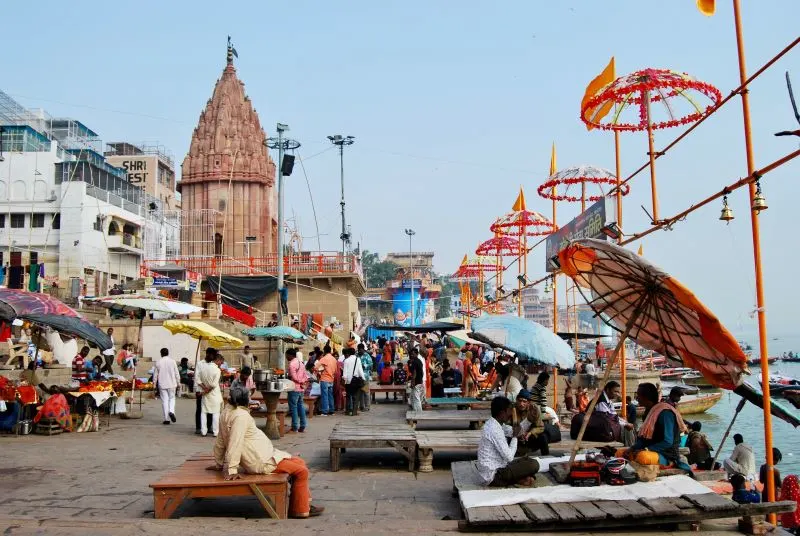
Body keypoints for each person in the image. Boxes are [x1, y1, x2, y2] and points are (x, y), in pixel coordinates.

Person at [210, 384, 324, 519]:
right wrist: (231, 469)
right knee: (302, 471)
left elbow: (220, 441)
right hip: (261, 461)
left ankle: (304, 503)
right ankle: (300, 510)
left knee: (299, 461)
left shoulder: (227, 412)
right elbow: (235, 443)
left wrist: (218, 463)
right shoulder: (240, 416)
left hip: (262, 455)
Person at [619, 383, 690, 470]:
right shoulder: (649, 412)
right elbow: (645, 439)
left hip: (666, 455)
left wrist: (647, 449)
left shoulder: (665, 413)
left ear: (646, 397)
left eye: (638, 395)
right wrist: (632, 448)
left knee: (642, 456)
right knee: (620, 453)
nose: (637, 398)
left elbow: (667, 441)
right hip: (649, 450)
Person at [476, 396, 540, 487]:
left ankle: (519, 478)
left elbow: (515, 430)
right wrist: (514, 437)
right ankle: (517, 479)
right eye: (509, 410)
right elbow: (509, 457)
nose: (511, 414)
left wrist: (529, 420)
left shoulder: (495, 424)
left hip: (500, 467)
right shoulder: (493, 429)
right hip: (493, 476)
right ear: (502, 413)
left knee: (526, 459)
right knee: (534, 465)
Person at [513, 390, 549, 456]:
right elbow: (507, 426)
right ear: (517, 400)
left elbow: (540, 427)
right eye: (520, 401)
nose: (521, 404)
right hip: (516, 437)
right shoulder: (513, 408)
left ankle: (546, 458)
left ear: (528, 402)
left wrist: (530, 432)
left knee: (543, 437)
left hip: (529, 437)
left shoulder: (534, 409)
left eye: (524, 401)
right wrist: (518, 434)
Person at [197, 352, 223, 436]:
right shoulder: (217, 370)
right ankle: (216, 432)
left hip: (206, 394)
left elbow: (198, 380)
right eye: (221, 362)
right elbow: (214, 385)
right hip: (214, 394)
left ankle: (203, 431)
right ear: (217, 360)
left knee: (204, 412)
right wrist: (206, 390)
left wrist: (204, 388)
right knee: (215, 413)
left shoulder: (204, 368)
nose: (221, 364)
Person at [153, 348, 179, 425]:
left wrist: (154, 384)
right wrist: (178, 382)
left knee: (165, 400)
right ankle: (171, 411)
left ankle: (166, 419)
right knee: (172, 398)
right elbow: (176, 373)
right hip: (172, 383)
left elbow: (155, 375)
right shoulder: (173, 361)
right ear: (168, 353)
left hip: (162, 384)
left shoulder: (158, 362)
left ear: (161, 353)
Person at [286, 349, 308, 432]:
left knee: (294, 407)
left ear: (290, 355)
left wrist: (299, 381)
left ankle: (295, 426)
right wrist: (303, 382)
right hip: (301, 388)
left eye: (286, 355)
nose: (286, 357)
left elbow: (295, 377)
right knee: (300, 406)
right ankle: (303, 425)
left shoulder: (292, 364)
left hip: (294, 388)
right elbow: (305, 376)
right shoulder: (301, 363)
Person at [195, 348, 216, 434]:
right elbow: (197, 378)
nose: (213, 357)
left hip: (210, 391)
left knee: (210, 408)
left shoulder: (213, 365)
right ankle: (198, 427)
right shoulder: (200, 364)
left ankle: (209, 426)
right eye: (212, 355)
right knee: (200, 409)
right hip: (200, 390)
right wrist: (204, 388)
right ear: (207, 354)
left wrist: (209, 388)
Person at [342, 347, 365, 416]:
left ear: (348, 353)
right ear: (355, 352)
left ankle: (348, 411)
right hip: (356, 380)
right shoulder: (358, 359)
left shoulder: (346, 360)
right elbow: (360, 370)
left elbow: (345, 372)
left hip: (348, 381)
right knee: (355, 397)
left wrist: (344, 380)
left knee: (348, 396)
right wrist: (363, 378)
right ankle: (354, 412)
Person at [315, 345, 337, 416]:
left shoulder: (324, 358)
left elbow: (316, 367)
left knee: (324, 395)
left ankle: (324, 411)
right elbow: (336, 370)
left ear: (324, 351)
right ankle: (331, 410)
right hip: (331, 379)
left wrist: (320, 371)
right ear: (330, 351)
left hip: (324, 378)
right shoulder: (334, 359)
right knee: (330, 395)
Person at [407, 347, 426, 412]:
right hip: (419, 381)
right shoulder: (419, 361)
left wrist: (412, 382)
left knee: (416, 398)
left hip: (416, 382)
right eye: (411, 354)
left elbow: (414, 373)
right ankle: (415, 410)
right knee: (412, 397)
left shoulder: (415, 362)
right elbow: (422, 372)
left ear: (417, 354)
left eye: (413, 354)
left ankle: (419, 413)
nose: (411, 355)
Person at [357, 343, 373, 412]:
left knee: (366, 391)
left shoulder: (367, 356)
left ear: (363, 349)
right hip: (358, 377)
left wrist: (364, 366)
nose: (359, 351)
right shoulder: (356, 355)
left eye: (360, 350)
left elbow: (371, 364)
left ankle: (367, 406)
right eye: (358, 350)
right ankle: (361, 406)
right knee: (360, 392)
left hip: (365, 376)